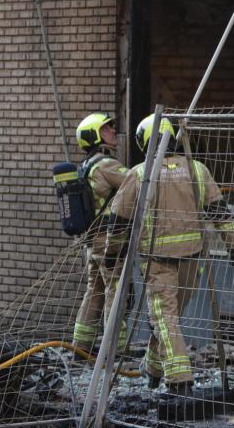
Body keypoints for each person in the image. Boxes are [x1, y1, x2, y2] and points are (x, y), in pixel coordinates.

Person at [110, 114, 234, 396]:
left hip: (157, 263)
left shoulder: (139, 174)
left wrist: (113, 254)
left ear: (146, 141)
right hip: (192, 262)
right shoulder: (198, 169)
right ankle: (152, 367)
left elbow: (118, 221)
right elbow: (221, 214)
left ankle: (179, 380)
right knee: (167, 321)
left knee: (165, 320)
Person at [70, 111, 132, 354]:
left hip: (92, 240)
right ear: (95, 136)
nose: (113, 131)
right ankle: (114, 349)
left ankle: (80, 346)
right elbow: (137, 182)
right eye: (106, 128)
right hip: (109, 241)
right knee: (114, 291)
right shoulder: (106, 165)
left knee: (94, 289)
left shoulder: (86, 166)